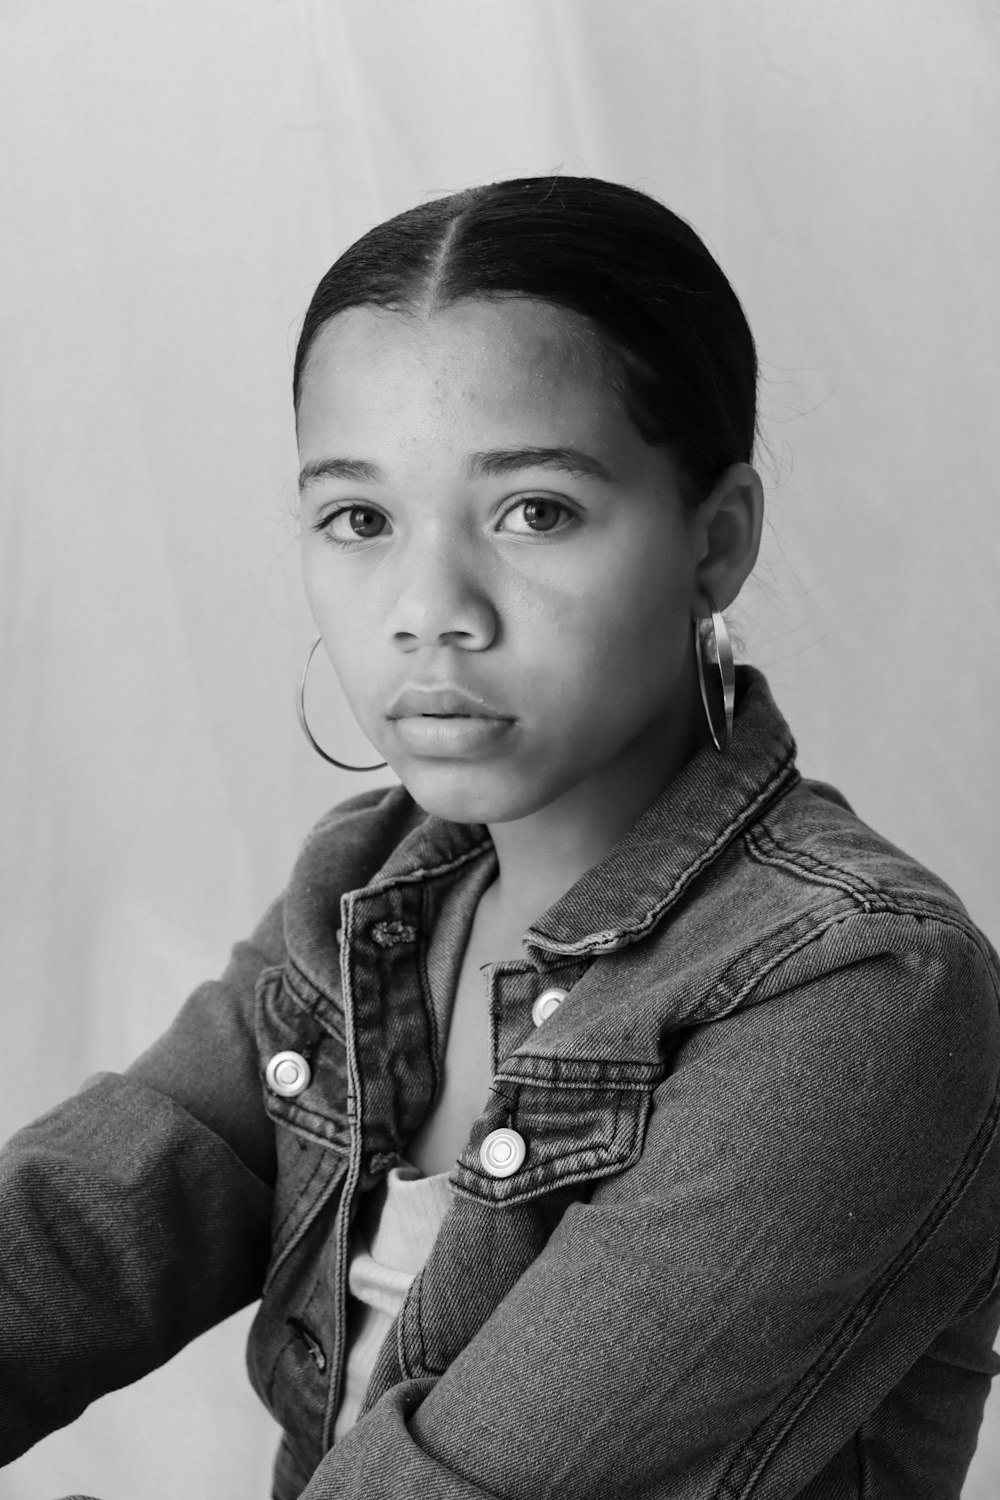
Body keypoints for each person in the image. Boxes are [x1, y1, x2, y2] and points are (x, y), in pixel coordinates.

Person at [1, 175, 999, 1500]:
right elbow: (70, 1237)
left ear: (719, 541)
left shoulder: (864, 994)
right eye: (360, 518)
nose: (430, 610)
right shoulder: (371, 894)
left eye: (535, 511)